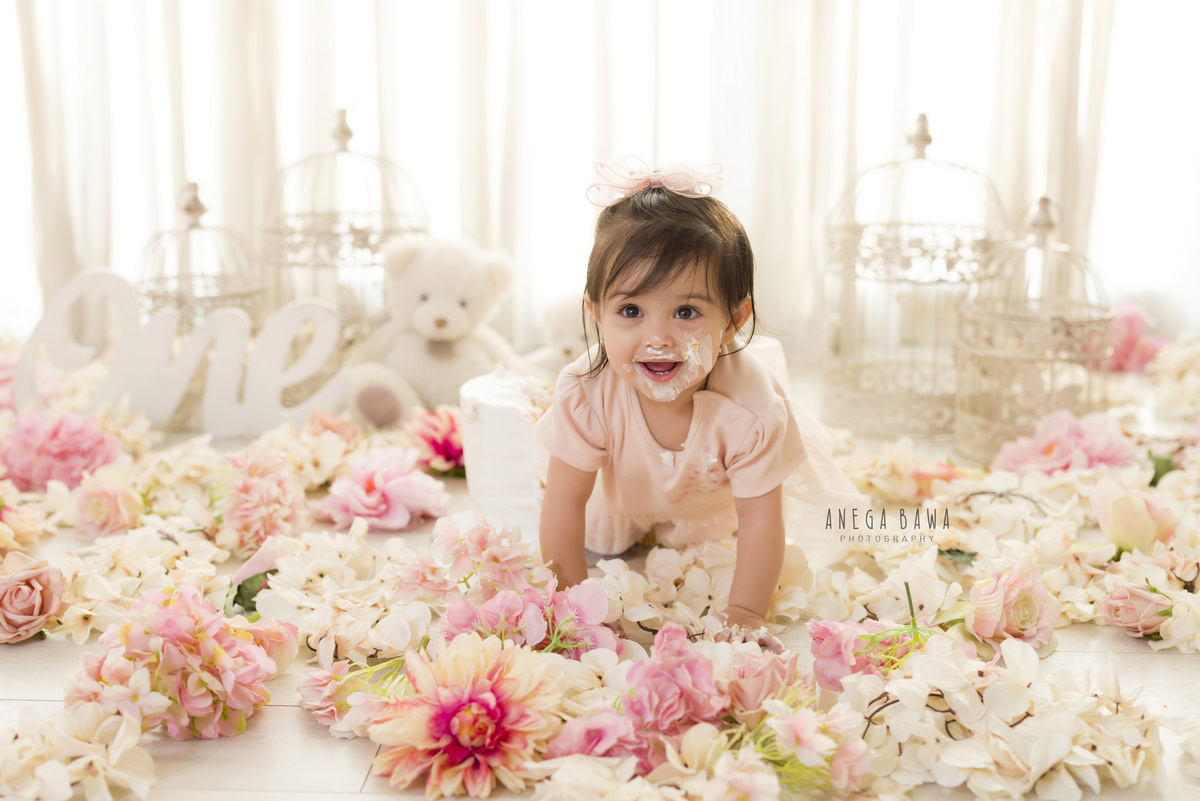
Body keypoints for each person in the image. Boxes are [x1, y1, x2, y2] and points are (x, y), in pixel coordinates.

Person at [535, 156, 866, 652]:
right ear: (596, 314)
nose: (658, 337)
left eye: (686, 311)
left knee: (702, 554)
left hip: (707, 505)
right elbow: (564, 502)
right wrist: (572, 613)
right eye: (630, 311)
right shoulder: (587, 391)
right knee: (606, 544)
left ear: (733, 320)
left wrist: (747, 615)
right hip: (619, 492)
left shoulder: (751, 409)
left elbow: (760, 522)